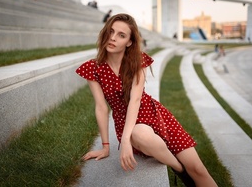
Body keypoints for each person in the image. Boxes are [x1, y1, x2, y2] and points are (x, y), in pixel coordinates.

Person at [76, 13, 218, 187]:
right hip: (129, 123)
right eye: (111, 32)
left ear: (129, 42)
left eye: (121, 35)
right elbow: (101, 107)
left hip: (155, 114)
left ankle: (189, 172)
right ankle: (179, 169)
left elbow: (135, 101)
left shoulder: (137, 61)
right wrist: (107, 146)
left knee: (198, 169)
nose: (113, 38)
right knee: (140, 133)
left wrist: (126, 141)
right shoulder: (93, 68)